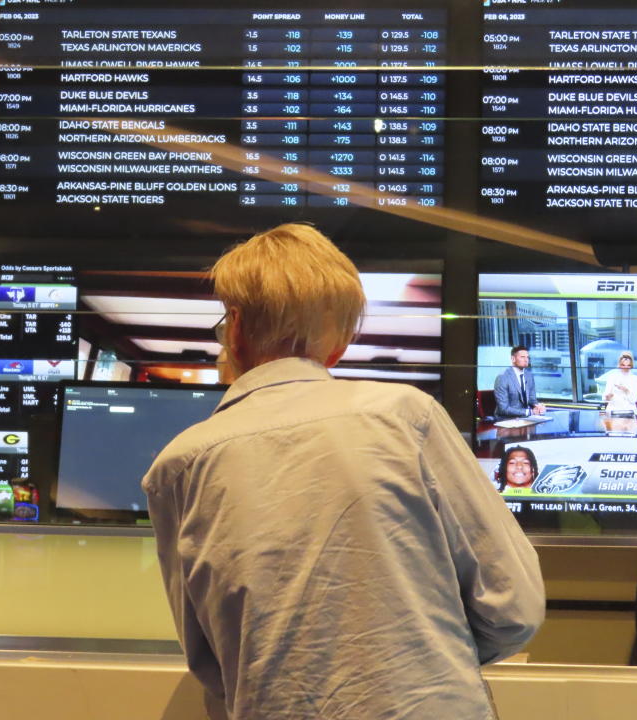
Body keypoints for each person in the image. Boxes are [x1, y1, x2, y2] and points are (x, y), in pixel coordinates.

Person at [143, 223, 545, 720]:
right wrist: (422, 662)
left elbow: (213, 661)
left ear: (236, 327)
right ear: (336, 343)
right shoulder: (404, 416)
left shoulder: (178, 466)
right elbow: (512, 609)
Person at [494, 345, 546, 418]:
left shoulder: (529, 375)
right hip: (507, 420)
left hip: (524, 418)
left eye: (527, 357)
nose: (526, 360)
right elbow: (503, 409)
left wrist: (538, 407)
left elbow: (532, 399)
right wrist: (529, 412)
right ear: (513, 359)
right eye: (522, 357)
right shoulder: (502, 377)